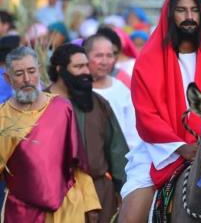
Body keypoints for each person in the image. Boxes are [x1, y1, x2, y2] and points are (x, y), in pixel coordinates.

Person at [119, 0, 201, 222]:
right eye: (181, 10)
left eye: (195, 10)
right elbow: (146, 115)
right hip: (160, 151)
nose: (189, 17)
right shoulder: (147, 61)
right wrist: (179, 147)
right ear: (170, 14)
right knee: (131, 217)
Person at [0, 46, 101, 222]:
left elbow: (77, 163)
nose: (27, 79)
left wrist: (90, 203)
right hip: (22, 211)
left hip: (68, 206)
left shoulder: (62, 107)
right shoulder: (3, 118)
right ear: (8, 78)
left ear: (38, 71)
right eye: (19, 74)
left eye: (31, 71)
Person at [46, 43, 129, 222]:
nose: (85, 71)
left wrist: (124, 191)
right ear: (60, 69)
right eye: (78, 67)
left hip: (100, 194)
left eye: (86, 65)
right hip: (56, 195)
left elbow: (117, 151)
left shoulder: (99, 104)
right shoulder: (40, 105)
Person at [83, 33, 142, 150]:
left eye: (109, 55)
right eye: (99, 55)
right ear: (85, 57)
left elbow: (133, 134)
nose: (105, 62)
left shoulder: (121, 89)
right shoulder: (77, 90)